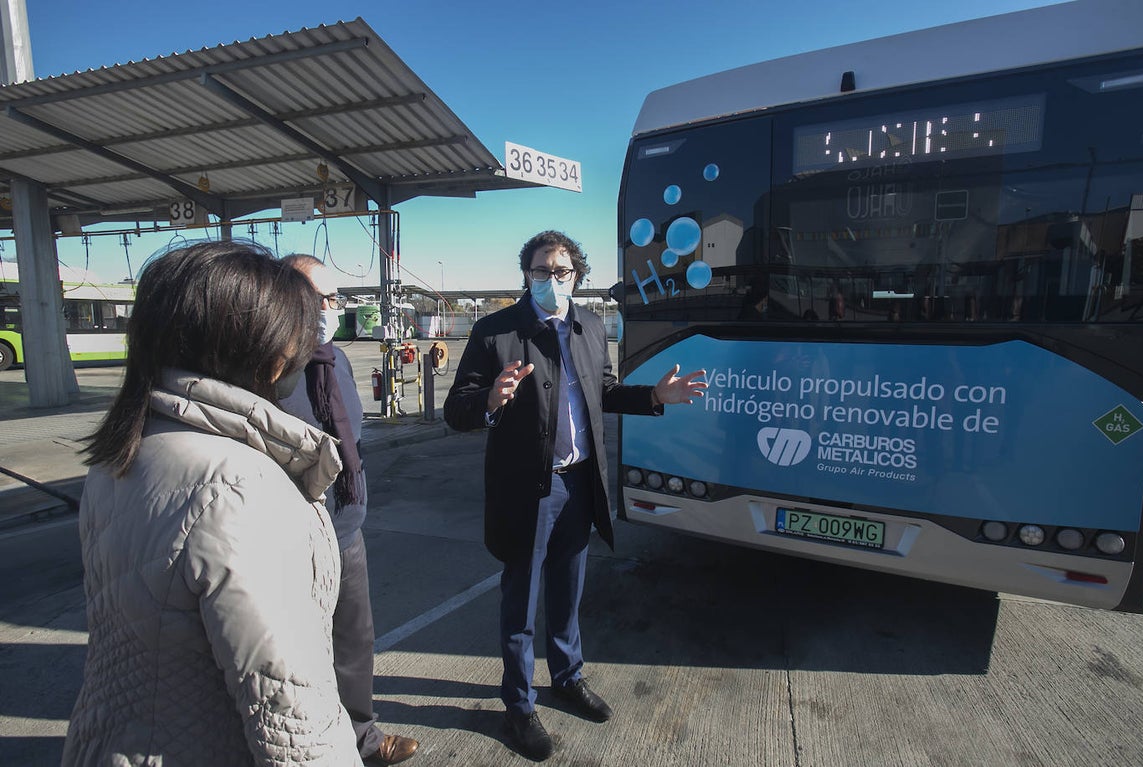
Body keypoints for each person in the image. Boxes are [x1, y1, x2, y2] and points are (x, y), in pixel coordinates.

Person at [62, 241, 361, 766]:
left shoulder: (128, 445)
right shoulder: (240, 487)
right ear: (267, 355)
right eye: (299, 331)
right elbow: (291, 716)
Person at [444, 231, 706, 761]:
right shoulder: (495, 331)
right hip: (528, 491)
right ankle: (518, 706)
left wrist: (654, 395)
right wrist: (491, 399)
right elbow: (457, 407)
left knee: (568, 594)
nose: (551, 280)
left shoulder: (589, 327)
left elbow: (603, 390)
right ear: (526, 276)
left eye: (561, 272)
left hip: (579, 483)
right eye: (541, 272)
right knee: (520, 604)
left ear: (577, 277)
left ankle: (567, 677)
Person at [278, 254, 420, 766]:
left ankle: (362, 735)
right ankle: (298, 747)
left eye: (334, 298)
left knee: (355, 639)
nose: (331, 308)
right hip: (288, 534)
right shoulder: (263, 364)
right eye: (321, 298)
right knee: (288, 651)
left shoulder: (334, 358)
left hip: (345, 527)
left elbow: (349, 434)